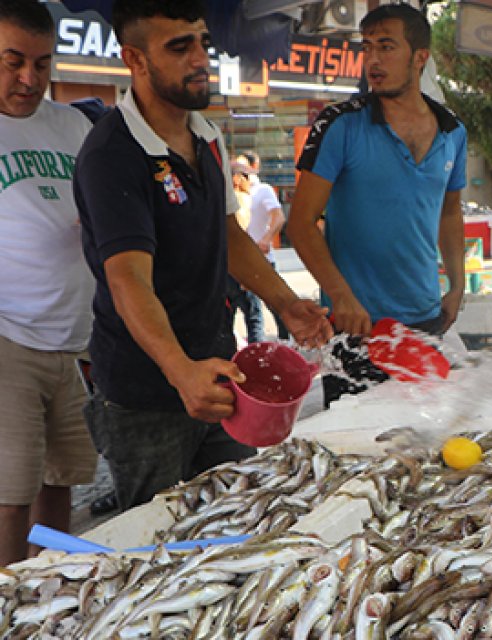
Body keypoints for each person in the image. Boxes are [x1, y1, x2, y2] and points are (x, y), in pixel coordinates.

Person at [74, 0, 333, 510]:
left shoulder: (206, 135)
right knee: (161, 535)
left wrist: (286, 303)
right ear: (135, 59)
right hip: (148, 395)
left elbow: (229, 235)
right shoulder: (112, 154)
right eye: (179, 47)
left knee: (240, 514)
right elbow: (128, 279)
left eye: (203, 43)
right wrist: (180, 371)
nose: (200, 59)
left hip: (220, 374)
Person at [290, 4, 467, 338]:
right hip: (355, 324)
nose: (372, 60)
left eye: (386, 47)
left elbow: (450, 211)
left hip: (428, 319)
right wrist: (340, 295)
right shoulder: (339, 124)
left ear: (420, 57)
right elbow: (300, 223)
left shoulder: (452, 131)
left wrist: (458, 286)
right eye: (367, 48)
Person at [0, 0, 98, 565]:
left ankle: (48, 590)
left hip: (73, 340)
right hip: (9, 335)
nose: (28, 79)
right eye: (12, 61)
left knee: (62, 481)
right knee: (9, 496)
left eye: (42, 63)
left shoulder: (73, 125)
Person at [235, 152, 289, 340]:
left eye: (240, 170)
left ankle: (286, 342)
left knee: (272, 307)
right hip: (236, 263)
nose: (236, 175)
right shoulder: (228, 195)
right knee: (249, 312)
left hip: (260, 259)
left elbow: (278, 217)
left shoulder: (261, 191)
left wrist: (266, 239)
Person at [226, 160, 266, 343]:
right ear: (236, 178)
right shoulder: (239, 201)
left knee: (227, 319)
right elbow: (238, 237)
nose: (250, 181)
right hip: (240, 269)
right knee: (254, 317)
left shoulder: (218, 200)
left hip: (224, 269)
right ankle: (258, 355)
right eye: (247, 177)